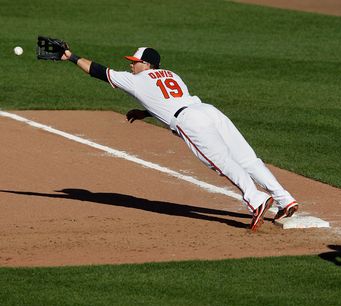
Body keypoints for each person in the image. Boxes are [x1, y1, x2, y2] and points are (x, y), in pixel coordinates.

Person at [59, 46, 299, 231]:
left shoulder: (136, 80)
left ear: (147, 64)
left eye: (135, 63)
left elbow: (98, 71)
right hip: (209, 111)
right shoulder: (172, 74)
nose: (132, 66)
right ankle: (284, 199)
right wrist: (144, 113)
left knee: (222, 162)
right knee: (248, 159)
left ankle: (256, 200)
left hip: (191, 122)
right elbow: (168, 101)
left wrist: (71, 57)